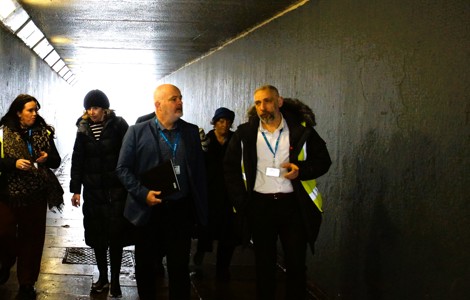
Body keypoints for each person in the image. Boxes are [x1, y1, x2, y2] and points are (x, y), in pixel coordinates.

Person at [224, 85, 332, 300]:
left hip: (292, 206)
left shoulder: (302, 131)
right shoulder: (245, 134)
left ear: (279, 102)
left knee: (296, 264)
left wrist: (301, 171)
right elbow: (230, 168)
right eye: (257, 103)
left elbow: (323, 161)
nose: (262, 108)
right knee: (264, 263)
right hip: (260, 206)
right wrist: (243, 202)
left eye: (267, 101)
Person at [116, 83, 208, 300]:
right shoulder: (137, 132)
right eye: (174, 99)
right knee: (146, 266)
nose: (180, 102)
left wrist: (202, 211)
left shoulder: (191, 132)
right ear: (158, 105)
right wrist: (142, 193)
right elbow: (122, 168)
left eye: (181, 98)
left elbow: (199, 173)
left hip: (180, 210)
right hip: (149, 210)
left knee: (179, 266)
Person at [0, 94, 62, 300]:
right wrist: (13, 163)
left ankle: (27, 282)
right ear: (18, 112)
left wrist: (47, 158)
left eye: (36, 110)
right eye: (30, 110)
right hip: (8, 192)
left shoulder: (43, 132)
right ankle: (5, 262)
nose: (35, 114)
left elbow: (56, 160)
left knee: (33, 239)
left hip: (36, 192)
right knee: (4, 232)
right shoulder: (3, 132)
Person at [69, 89, 130, 298]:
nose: (91, 111)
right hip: (94, 192)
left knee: (116, 236)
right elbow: (78, 160)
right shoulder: (83, 129)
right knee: (97, 237)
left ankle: (115, 281)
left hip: (116, 191)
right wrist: (75, 189)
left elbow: (129, 153)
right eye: (88, 108)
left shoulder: (119, 125)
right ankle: (103, 277)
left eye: (95, 107)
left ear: (104, 108)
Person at [193, 107, 237, 281]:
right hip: (209, 192)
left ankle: (223, 268)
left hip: (229, 194)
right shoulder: (207, 140)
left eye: (227, 121)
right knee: (206, 229)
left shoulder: (235, 140)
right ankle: (200, 256)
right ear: (215, 122)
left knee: (229, 233)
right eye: (220, 121)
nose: (224, 125)